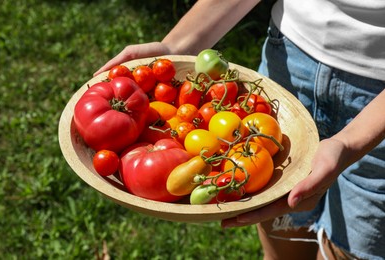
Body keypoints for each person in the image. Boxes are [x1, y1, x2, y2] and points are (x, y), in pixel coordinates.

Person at [94, 1, 385, 259]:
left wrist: (349, 142)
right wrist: (177, 46)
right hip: (290, 61)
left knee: (354, 248)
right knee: (282, 237)